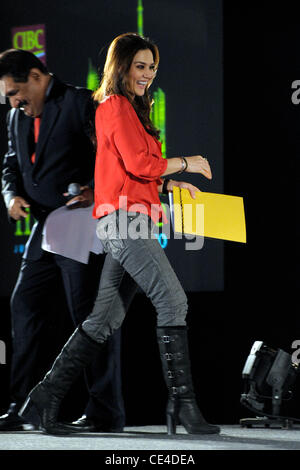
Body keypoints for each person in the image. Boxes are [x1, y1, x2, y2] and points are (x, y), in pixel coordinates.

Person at [19, 33, 220, 435]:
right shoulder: (113, 105)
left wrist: (170, 185)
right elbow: (140, 163)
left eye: (152, 67)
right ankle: (182, 404)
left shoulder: (131, 109)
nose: (147, 74)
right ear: (122, 66)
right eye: (140, 66)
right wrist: (187, 163)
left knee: (103, 319)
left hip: (134, 219)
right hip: (125, 224)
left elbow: (130, 171)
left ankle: (42, 398)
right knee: (173, 301)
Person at [0, 48, 136, 433]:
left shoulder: (78, 102)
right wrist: (12, 196)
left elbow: (116, 151)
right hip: (46, 228)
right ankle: (23, 407)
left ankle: (105, 412)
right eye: (9, 97)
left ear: (37, 76)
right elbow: (11, 163)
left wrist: (97, 188)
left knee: (92, 318)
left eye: (16, 92)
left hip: (83, 224)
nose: (13, 102)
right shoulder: (16, 117)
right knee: (24, 308)